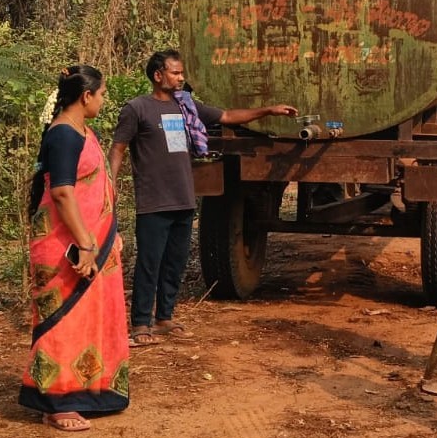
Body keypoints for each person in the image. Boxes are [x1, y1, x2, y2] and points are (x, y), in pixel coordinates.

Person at [109, 50, 297, 345]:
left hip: (184, 198)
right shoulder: (137, 109)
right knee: (149, 263)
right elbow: (118, 148)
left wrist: (269, 110)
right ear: (158, 75)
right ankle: (140, 323)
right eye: (175, 73)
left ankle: (164, 317)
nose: (181, 78)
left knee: (175, 262)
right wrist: (111, 183)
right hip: (154, 201)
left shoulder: (186, 107)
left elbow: (228, 116)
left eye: (182, 72)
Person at [21, 65, 129, 432]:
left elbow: (97, 188)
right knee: (63, 321)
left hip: (91, 241)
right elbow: (63, 193)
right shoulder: (64, 135)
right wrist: (85, 243)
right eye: (101, 94)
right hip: (66, 244)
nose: (103, 100)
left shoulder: (83, 131)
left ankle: (85, 390)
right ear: (86, 96)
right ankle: (57, 401)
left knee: (91, 317)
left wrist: (110, 233)